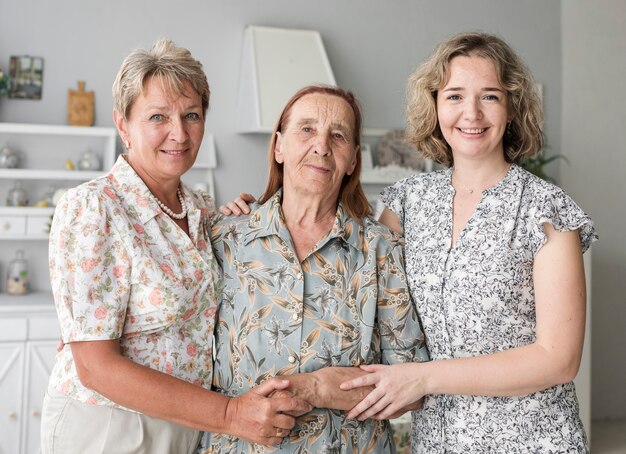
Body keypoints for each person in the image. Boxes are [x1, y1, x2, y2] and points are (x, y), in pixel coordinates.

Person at [41, 38, 311, 454]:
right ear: (122, 124)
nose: (179, 134)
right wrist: (230, 415)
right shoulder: (94, 208)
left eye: (191, 115)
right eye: (157, 117)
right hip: (111, 427)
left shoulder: (201, 207)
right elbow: (95, 367)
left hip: (188, 423)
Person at [340, 32, 597, 453]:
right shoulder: (406, 202)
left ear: (512, 107)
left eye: (490, 97)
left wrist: (425, 377)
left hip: (533, 442)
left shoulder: (547, 211)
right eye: (455, 96)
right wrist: (261, 213)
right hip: (436, 443)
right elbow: (353, 278)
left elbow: (559, 358)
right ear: (436, 105)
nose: (471, 113)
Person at [198, 85, 429, 453]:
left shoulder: (381, 250)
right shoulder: (223, 239)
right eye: (306, 129)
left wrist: (321, 388)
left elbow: (411, 388)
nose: (321, 145)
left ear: (353, 160)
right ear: (278, 147)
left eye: (337, 135)